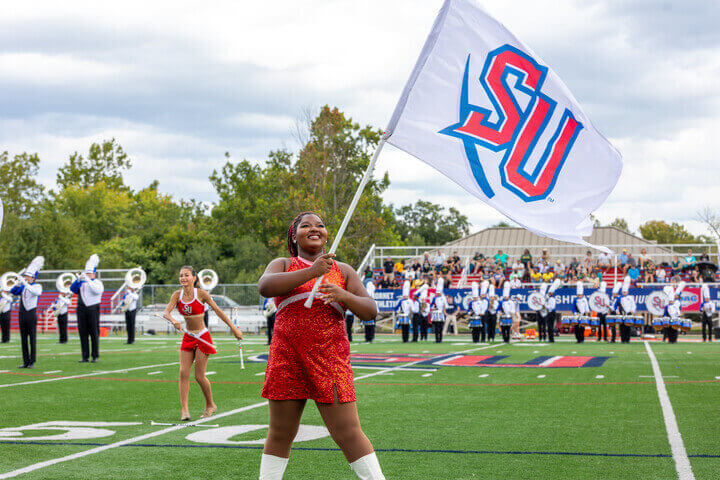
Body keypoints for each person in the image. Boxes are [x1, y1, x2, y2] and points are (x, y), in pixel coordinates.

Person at [256, 212, 385, 480]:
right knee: (280, 433)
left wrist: (344, 295)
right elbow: (265, 287)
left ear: (327, 234)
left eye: (320, 226)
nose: (314, 229)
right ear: (294, 235)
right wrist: (312, 271)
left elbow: (370, 311)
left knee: (347, 431)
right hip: (286, 359)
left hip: (329, 360)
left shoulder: (344, 271)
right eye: (306, 226)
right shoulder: (282, 263)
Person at [164, 265, 243, 421]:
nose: (183, 278)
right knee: (183, 373)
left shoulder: (201, 294)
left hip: (202, 336)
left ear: (194, 278)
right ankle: (185, 410)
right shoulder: (176, 295)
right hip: (188, 336)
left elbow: (219, 312)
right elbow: (166, 312)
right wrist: (174, 321)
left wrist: (234, 329)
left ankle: (210, 405)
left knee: (199, 376)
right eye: (181, 275)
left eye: (186, 275)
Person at [10, 256, 44, 368]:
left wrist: (25, 284)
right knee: (23, 339)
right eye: (25, 276)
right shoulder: (23, 287)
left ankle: (32, 361)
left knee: (32, 338)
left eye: (28, 276)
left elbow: (36, 292)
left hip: (31, 314)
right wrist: (19, 284)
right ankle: (25, 361)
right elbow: (13, 291)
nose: (26, 278)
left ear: (33, 278)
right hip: (22, 314)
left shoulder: (37, 286)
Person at [70, 254, 105, 363]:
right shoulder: (82, 283)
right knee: (83, 332)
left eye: (89, 273)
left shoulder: (97, 283)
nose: (87, 275)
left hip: (93, 308)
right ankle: (85, 356)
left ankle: (94, 356)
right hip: (81, 308)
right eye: (87, 273)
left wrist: (88, 280)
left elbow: (97, 291)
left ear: (94, 274)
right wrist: (78, 279)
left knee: (94, 332)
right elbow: (72, 289)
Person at [619, 276, 636, 343]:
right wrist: (617, 311)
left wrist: (632, 310)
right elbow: (616, 306)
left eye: (625, 292)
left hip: (628, 313)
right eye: (623, 292)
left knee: (628, 327)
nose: (624, 293)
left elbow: (633, 305)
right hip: (622, 313)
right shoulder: (619, 298)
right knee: (622, 327)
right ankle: (622, 339)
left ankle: (627, 339)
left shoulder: (630, 297)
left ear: (627, 292)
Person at [430, 279, 448, 343]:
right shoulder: (435, 298)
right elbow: (431, 304)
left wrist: (444, 308)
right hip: (436, 313)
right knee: (436, 327)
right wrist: (432, 308)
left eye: (439, 293)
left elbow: (446, 306)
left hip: (441, 314)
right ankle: (436, 339)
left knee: (440, 327)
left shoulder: (443, 298)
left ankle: (440, 339)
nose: (438, 294)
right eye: (437, 293)